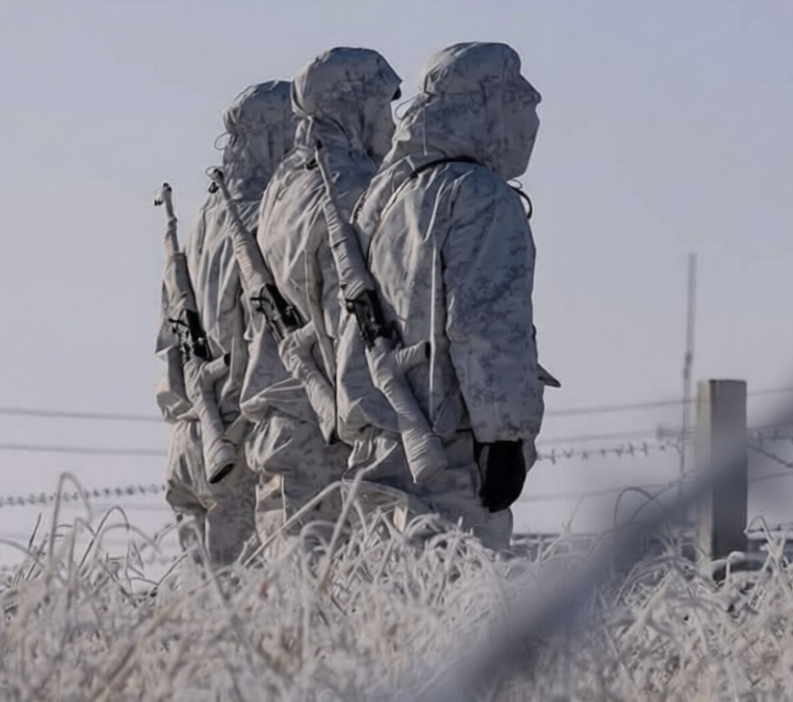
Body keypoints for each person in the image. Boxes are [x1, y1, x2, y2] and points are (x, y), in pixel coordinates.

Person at [333, 41, 556, 550]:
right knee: (460, 613)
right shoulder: (476, 194)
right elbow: (485, 324)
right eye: (515, 97)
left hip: (384, 445)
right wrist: (502, 436)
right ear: (486, 106)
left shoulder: (386, 197)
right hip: (452, 452)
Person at [241, 47, 403, 546]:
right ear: (353, 104)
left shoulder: (285, 185)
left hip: (294, 418)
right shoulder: (348, 186)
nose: (392, 123)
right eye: (382, 106)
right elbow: (351, 314)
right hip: (333, 428)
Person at [155, 79, 296, 567]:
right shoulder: (268, 219)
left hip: (189, 444)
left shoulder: (200, 225)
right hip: (239, 443)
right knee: (256, 624)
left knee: (205, 623)